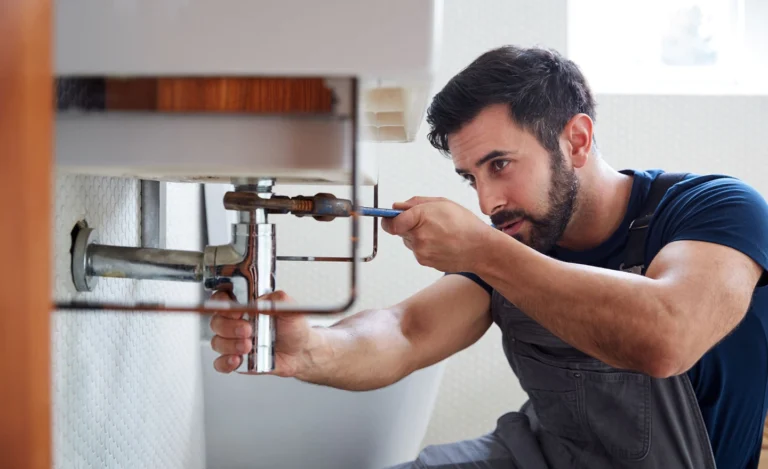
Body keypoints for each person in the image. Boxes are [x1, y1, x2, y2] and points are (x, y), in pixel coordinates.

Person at [209, 45, 768, 469]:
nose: (486, 201)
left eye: (500, 164)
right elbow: (406, 330)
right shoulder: (516, 240)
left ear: (575, 140)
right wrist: (314, 347)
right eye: (469, 177)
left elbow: (668, 337)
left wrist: (484, 248)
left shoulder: (714, 209)